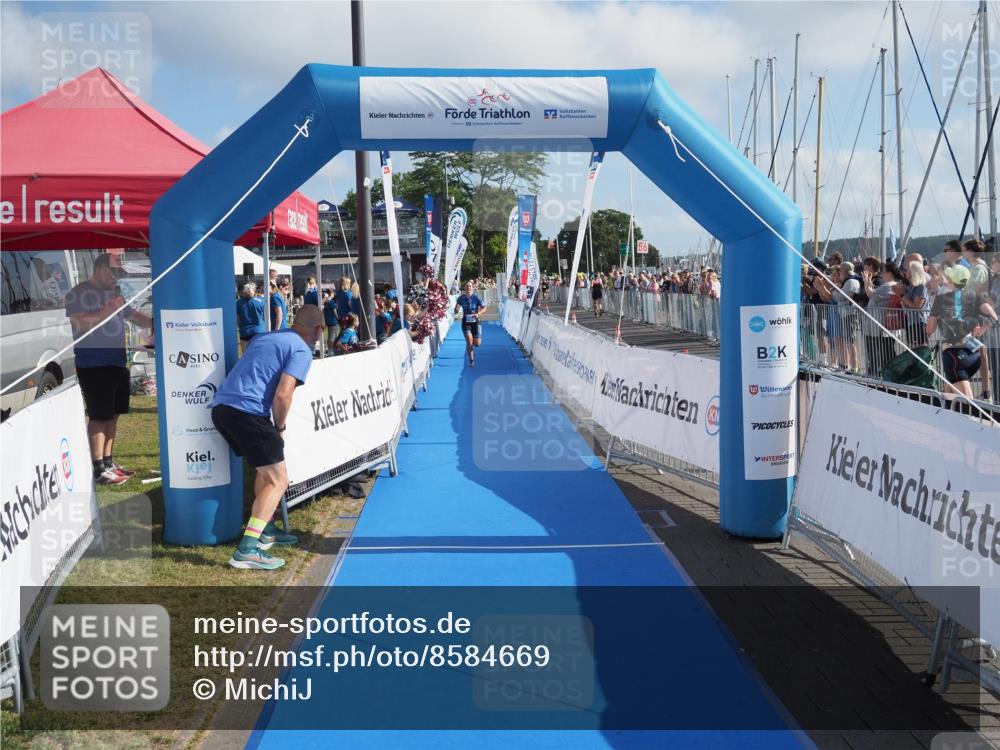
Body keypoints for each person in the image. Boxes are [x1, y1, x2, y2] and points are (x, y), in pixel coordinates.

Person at [211, 305, 325, 570]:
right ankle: (247, 550)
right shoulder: (301, 350)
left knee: (265, 473)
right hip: (248, 413)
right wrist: (280, 426)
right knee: (279, 479)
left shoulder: (265, 337)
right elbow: (284, 394)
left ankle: (265, 531)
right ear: (318, 330)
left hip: (223, 409)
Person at [64, 253, 153, 485]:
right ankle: (98, 469)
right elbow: (80, 323)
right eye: (114, 274)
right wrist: (108, 309)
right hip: (94, 363)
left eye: (120, 275)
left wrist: (155, 321)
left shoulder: (114, 294)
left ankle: (109, 462)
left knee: (114, 414)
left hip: (116, 361)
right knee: (99, 415)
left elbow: (133, 316)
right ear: (100, 268)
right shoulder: (78, 292)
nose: (117, 279)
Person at [927, 265, 998, 404]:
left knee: (969, 407)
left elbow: (930, 330)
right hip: (974, 354)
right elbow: (994, 318)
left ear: (950, 280)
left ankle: (983, 400)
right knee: (948, 400)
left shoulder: (941, 300)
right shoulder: (976, 298)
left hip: (954, 356)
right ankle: (986, 394)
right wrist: (981, 329)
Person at [455, 280, 486, 367]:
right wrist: (456, 309)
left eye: (470, 286)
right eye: (467, 286)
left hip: (475, 321)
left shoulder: (476, 297)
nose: (468, 288)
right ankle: (471, 360)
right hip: (466, 322)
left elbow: (484, 308)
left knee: (477, 344)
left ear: (472, 288)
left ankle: (474, 341)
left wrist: (478, 313)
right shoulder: (461, 298)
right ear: (464, 288)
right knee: (469, 342)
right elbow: (456, 308)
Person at [236, 283, 266, 355]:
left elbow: (237, 319)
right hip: (259, 330)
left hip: (245, 331)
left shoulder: (238, 303)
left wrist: (240, 327)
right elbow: (264, 316)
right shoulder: (261, 301)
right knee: (259, 355)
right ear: (255, 290)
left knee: (246, 356)